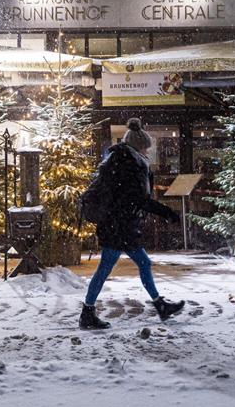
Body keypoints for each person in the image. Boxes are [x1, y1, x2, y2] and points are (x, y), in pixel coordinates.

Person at [79, 118, 186, 330]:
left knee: (132, 265)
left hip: (118, 224)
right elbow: (138, 199)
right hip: (119, 226)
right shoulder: (130, 164)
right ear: (138, 146)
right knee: (109, 268)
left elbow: (131, 198)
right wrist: (166, 213)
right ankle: (88, 313)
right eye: (146, 148)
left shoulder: (121, 160)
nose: (147, 152)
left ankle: (158, 305)